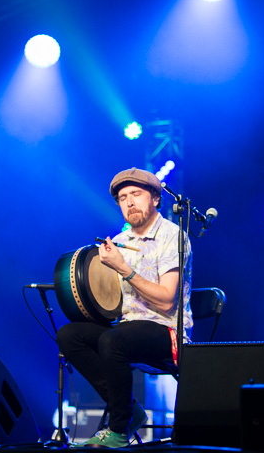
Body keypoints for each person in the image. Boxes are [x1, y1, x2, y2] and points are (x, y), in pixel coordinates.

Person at [57, 167, 192, 447]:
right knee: (70, 335)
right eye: (122, 198)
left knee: (112, 340)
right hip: (128, 329)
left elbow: (167, 299)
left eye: (136, 194)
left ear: (155, 198)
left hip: (166, 332)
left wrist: (123, 269)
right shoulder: (119, 242)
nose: (129, 202)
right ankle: (130, 409)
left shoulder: (172, 237)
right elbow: (108, 303)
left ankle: (118, 429)